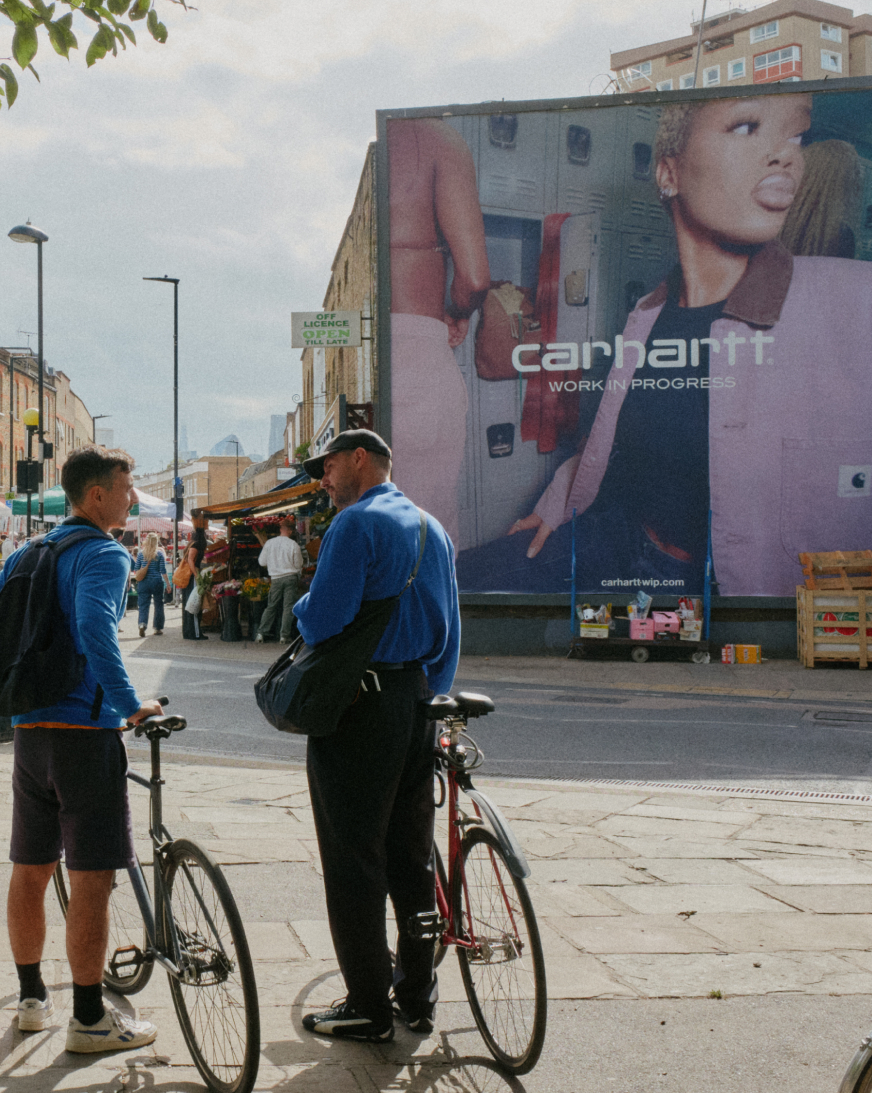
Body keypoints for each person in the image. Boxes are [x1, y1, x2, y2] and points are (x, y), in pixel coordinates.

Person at [457, 93, 872, 596]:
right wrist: (554, 503)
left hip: (723, 593)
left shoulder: (854, 296)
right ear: (669, 175)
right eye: (745, 127)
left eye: (795, 136)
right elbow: (619, 446)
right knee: (444, 582)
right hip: (622, 541)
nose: (786, 155)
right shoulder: (648, 314)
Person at [0, 446, 164, 1051]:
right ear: (97, 495)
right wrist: (131, 703)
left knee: (29, 868)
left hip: (31, 734)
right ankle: (88, 1018)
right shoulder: (105, 554)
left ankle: (32, 1000)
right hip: (85, 734)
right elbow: (94, 632)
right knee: (92, 877)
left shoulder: (30, 550)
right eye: (126, 487)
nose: (132, 497)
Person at [292, 429, 459, 1042]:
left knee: (353, 857)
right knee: (411, 857)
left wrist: (300, 608)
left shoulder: (355, 524)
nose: (324, 478)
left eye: (328, 465)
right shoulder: (431, 528)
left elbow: (324, 618)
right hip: (418, 701)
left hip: (360, 708)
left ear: (360, 459)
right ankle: (417, 995)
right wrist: (425, 695)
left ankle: (367, 1003)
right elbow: (451, 631)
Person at [386, 117, 492, 547]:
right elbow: (475, 277)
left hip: (374, 351)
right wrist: (457, 310)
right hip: (419, 345)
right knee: (429, 536)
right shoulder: (438, 140)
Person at [253, 517, 303, 643]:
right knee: (288, 607)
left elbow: (261, 561)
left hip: (275, 578)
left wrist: (273, 564)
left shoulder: (269, 543)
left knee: (271, 606)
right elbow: (298, 564)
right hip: (290, 577)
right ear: (291, 531)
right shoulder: (294, 545)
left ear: (281, 529)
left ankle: (261, 634)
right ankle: (283, 636)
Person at [133, 532, 168, 637]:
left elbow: (136, 569)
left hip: (143, 582)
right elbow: (163, 570)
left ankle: (142, 624)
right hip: (157, 581)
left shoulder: (140, 554)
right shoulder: (160, 554)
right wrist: (168, 584)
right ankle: (157, 628)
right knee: (158, 604)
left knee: (143, 604)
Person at [174, 540, 206, 640]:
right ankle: (195, 633)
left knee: (188, 605)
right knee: (194, 605)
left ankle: (188, 631)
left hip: (188, 579)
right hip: (192, 578)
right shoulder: (195, 545)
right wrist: (197, 575)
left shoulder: (191, 544)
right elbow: (191, 559)